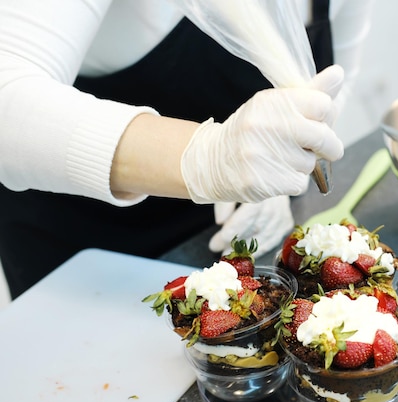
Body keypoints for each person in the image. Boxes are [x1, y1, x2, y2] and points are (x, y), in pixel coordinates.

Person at [0, 0, 374, 298]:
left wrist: (278, 171)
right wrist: (204, 158)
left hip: (222, 250)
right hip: (84, 262)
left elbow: (332, 89)